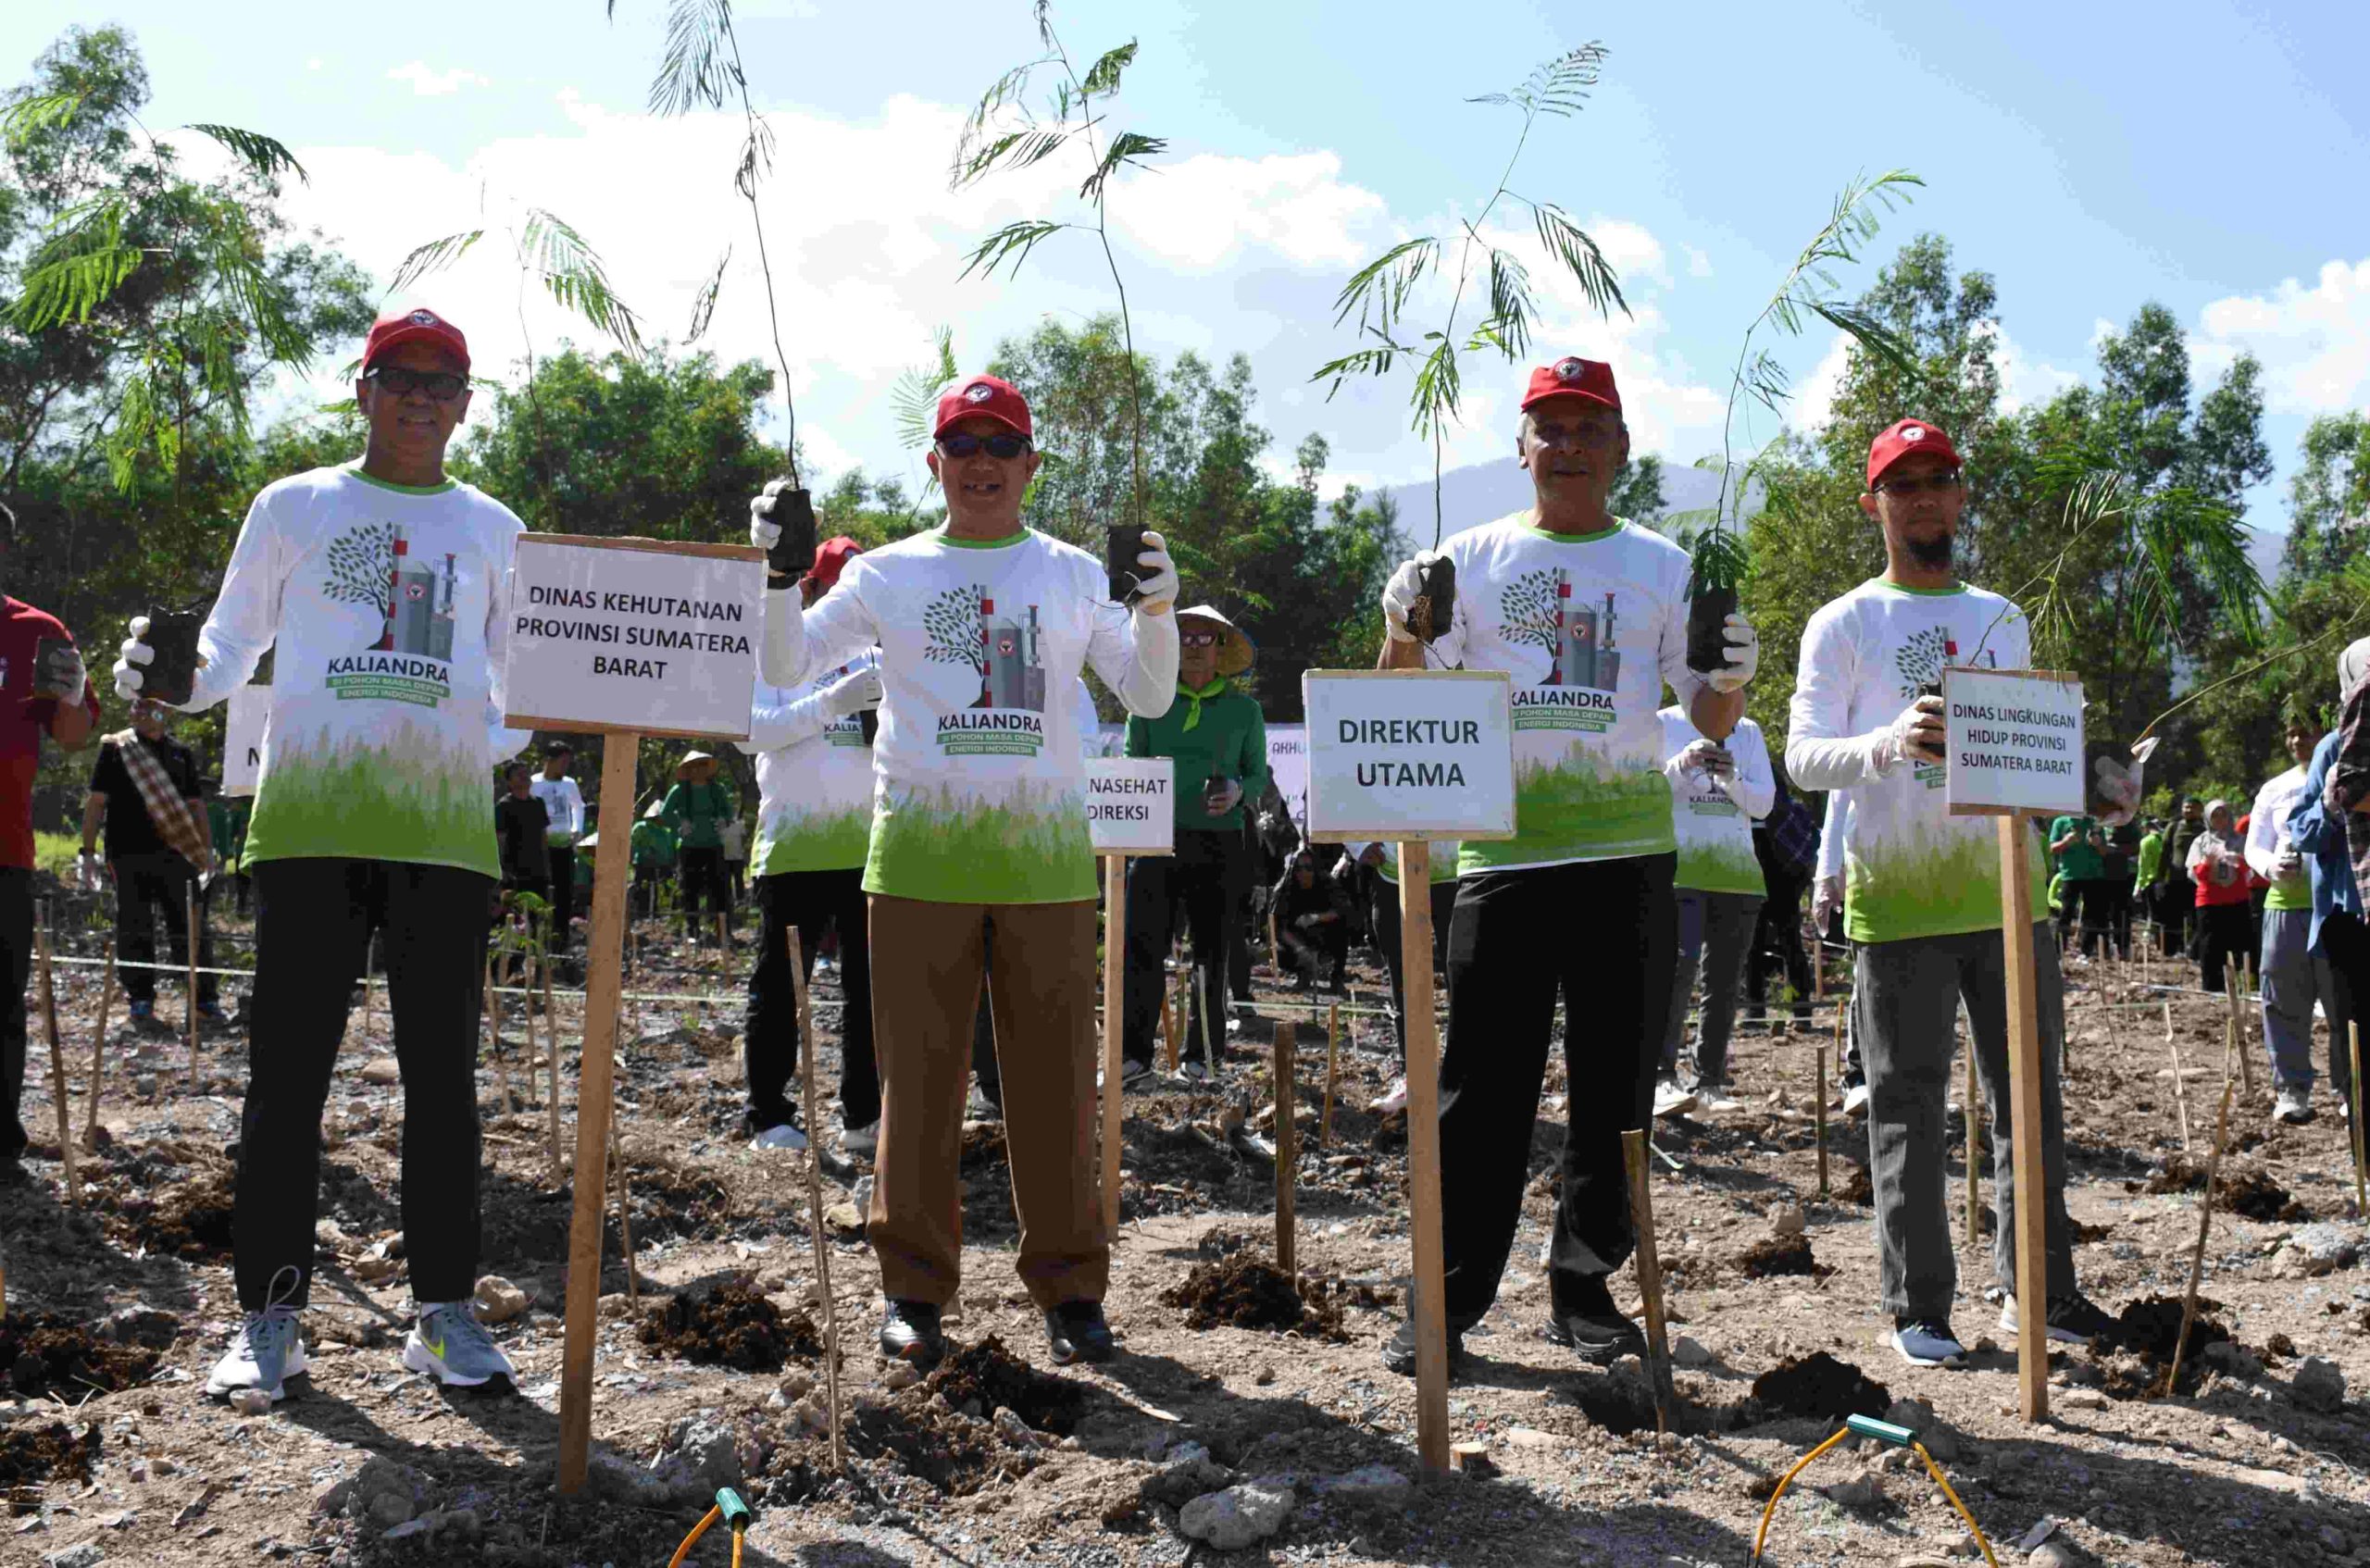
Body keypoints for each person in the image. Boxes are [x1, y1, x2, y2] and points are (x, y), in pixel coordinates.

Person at [113, 304, 523, 1399]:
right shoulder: (293, 504)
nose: (421, 397)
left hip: (445, 841)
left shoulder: (495, 527)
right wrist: (165, 674)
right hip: (306, 832)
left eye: (443, 381)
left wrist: (451, 743)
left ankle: (443, 1310)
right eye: (401, 376)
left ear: (466, 405)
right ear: (364, 388)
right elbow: (224, 651)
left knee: (444, 1085)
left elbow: (521, 693)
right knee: (285, 1081)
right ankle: (269, 1318)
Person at [749, 371, 1179, 1369]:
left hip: (1049, 872)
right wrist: (774, 576)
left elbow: (1148, 691)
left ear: (1031, 463)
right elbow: (783, 666)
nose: (982, 462)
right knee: (919, 1088)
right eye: (963, 444)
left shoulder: (1073, 573)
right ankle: (911, 1289)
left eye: (1001, 444)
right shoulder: (890, 574)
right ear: (934, 462)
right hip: (914, 868)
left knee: (1055, 1085)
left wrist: (1156, 607)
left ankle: (1072, 1289)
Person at [1371, 355, 1760, 1375]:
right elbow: (1400, 694)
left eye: (1591, 428)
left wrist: (1731, 672)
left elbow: (1711, 713)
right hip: (1500, 855)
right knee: (1477, 1090)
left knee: (1615, 1091)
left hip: (1628, 857)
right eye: (1552, 427)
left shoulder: (1665, 566)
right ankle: (1444, 1300)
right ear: (1521, 446)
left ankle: (1584, 1289)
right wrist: (1397, 622)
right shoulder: (1467, 557)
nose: (1571, 445)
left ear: (1622, 446)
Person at [1786, 416, 2111, 1370]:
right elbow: (1803, 757)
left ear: (1961, 495)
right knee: (1905, 1104)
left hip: (2012, 899)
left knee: (2030, 1099)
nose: (1922, 496)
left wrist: (2094, 781)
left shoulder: (2001, 616)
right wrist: (1887, 740)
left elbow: (2034, 748)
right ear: (1873, 503)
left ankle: (2041, 1293)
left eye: (1938, 479)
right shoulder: (1844, 622)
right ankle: (1918, 1305)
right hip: (1897, 901)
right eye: (1902, 482)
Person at [737, 535, 882, 1155]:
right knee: (780, 987)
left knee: (871, 988)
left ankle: (865, 1116)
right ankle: (768, 1115)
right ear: (810, 589)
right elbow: (749, 734)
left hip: (874, 847)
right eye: (833, 589)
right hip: (794, 846)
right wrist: (830, 703)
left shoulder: (881, 654)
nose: (843, 605)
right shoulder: (771, 653)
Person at [1119, 605, 1267, 1084]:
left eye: (1205, 638)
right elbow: (1130, 765)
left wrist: (1240, 792)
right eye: (1184, 636)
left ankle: (1201, 1056)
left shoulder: (1246, 711)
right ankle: (1133, 1058)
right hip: (1155, 842)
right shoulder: (1147, 703)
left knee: (1212, 951)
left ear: (1221, 648)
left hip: (1221, 844)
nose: (1193, 646)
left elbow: (1258, 773)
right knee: (1141, 948)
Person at [1, 504, 99, 1182]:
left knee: (2, 1005)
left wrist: (69, 697)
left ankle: (1, 1150)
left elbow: (72, 737)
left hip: (3, 848)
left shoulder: (37, 633)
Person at [1656, 706, 1774, 1115]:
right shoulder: (1663, 722)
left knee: (1723, 984)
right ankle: (1661, 1078)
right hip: (1679, 871)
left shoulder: (1748, 730)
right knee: (1676, 972)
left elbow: (1763, 805)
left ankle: (1709, 1082)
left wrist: (1729, 778)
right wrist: (1685, 763)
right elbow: (1649, 791)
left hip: (1737, 876)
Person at [78, 698, 220, 1029]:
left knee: (189, 927)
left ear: (165, 712)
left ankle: (204, 1003)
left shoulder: (180, 754)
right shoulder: (116, 748)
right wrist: (87, 851)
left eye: (148, 708)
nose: (139, 713)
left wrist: (208, 851)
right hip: (128, 856)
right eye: (136, 707)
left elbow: (196, 806)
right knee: (135, 928)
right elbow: (97, 802)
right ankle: (141, 1003)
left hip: (177, 854)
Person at [2289, 641, 2370, 1122]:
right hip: (2347, 917)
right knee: (2355, 1036)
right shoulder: (2334, 746)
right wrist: (2336, 801)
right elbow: (2304, 830)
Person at [2249, 717, 2332, 1122]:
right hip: (2283, 908)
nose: (2299, 739)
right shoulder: (2274, 788)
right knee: (2282, 1002)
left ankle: (2349, 1090)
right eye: (2292, 733)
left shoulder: (2343, 775)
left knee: (2343, 1003)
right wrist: (2271, 868)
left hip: (2334, 907)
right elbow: (2255, 846)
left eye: (2308, 731)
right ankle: (2292, 1091)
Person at [1350, 837, 1456, 1117]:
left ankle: (1465, 1082)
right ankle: (1414, 1080)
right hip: (1393, 875)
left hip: (1457, 872)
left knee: (1465, 979)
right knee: (1403, 983)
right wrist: (1357, 843)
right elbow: (1332, 792)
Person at [1743, 764, 1819, 1038]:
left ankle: (1757, 1014)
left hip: (1766, 877)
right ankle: (1800, 1013)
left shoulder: (1747, 811)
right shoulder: (1788, 808)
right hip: (1785, 882)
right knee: (1789, 945)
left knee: (1755, 945)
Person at [661, 752, 737, 944]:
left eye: (702, 765)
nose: (699, 770)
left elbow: (728, 811)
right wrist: (680, 824)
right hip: (689, 846)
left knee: (720, 888)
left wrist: (723, 820)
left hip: (714, 844)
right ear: (688, 770)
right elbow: (666, 813)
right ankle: (692, 928)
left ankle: (723, 929)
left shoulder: (717, 789)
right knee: (690, 888)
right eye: (694, 766)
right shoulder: (680, 790)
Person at [2187, 800, 2252, 994]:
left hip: (2237, 899)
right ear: (2208, 818)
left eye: (2223, 814)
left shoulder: (2241, 840)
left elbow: (2252, 870)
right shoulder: (2201, 842)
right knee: (2211, 946)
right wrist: (2208, 862)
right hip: (2210, 901)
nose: (2219, 819)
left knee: (2239, 944)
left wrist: (2239, 862)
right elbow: (2195, 874)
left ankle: (2241, 985)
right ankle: (2212, 988)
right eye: (2214, 815)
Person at [1270, 849, 1351, 996]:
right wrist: (1300, 948)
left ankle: (1337, 978)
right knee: (1280, 950)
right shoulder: (1285, 888)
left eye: (1308, 868)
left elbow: (1342, 909)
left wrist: (1316, 918)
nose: (1304, 873)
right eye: (1299, 869)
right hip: (1297, 939)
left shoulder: (1327, 883)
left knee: (1342, 928)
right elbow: (1276, 925)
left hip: (1324, 932)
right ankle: (1303, 976)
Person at [530, 743, 584, 955]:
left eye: (567, 762)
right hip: (541, 846)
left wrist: (576, 830)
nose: (565, 766)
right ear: (550, 761)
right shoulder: (534, 783)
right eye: (563, 761)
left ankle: (561, 941)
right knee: (539, 892)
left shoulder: (569, 784)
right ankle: (536, 938)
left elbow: (578, 806)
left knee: (564, 893)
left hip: (564, 846)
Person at [2047, 810, 2110, 959]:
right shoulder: (2061, 822)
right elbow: (2052, 848)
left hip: (2094, 876)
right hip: (2070, 875)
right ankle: (2058, 952)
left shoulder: (2095, 823)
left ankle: (2085, 951)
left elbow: (2104, 852)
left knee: (2091, 914)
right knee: (2065, 913)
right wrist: (2066, 842)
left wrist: (2098, 844)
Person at [493, 762, 550, 914]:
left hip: (537, 871)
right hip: (514, 872)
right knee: (515, 915)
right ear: (509, 782)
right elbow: (500, 840)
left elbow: (543, 836)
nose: (525, 777)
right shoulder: (504, 806)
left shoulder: (538, 803)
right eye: (519, 774)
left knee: (538, 915)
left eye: (526, 773)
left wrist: (546, 868)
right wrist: (501, 870)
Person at [2163, 797, 2206, 957]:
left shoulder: (2205, 829)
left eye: (2192, 808)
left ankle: (2193, 952)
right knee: (2172, 917)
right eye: (2186, 807)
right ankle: (2170, 951)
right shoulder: (2173, 827)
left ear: (2200, 810)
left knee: (2196, 919)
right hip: (2175, 879)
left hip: (2196, 882)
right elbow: (2165, 853)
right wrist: (2160, 878)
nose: (2188, 810)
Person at [630, 799, 679, 921]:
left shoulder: (666, 831)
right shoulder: (641, 827)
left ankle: (663, 914)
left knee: (667, 889)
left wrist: (673, 861)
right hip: (644, 863)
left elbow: (671, 848)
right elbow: (632, 845)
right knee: (643, 889)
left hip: (664, 864)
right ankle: (642, 914)